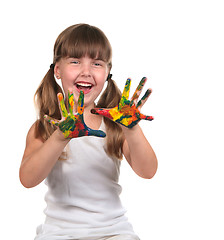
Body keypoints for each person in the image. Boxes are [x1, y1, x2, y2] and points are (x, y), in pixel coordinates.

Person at [19, 23, 157, 240]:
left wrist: (132, 129)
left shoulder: (113, 124)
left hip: (114, 231)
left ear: (108, 72)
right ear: (57, 69)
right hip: (59, 233)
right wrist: (60, 137)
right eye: (75, 61)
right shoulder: (45, 126)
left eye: (97, 63)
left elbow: (147, 171)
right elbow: (27, 179)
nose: (86, 71)